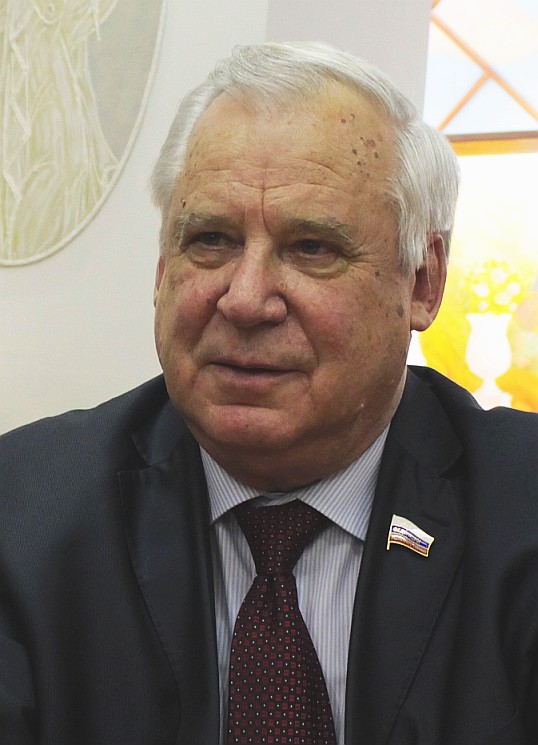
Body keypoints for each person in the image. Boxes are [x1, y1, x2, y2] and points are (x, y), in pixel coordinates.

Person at [1, 41, 537, 745]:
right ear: (161, 270)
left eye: (312, 248)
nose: (246, 299)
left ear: (422, 282)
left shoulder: (521, 508)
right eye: (211, 239)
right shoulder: (22, 514)